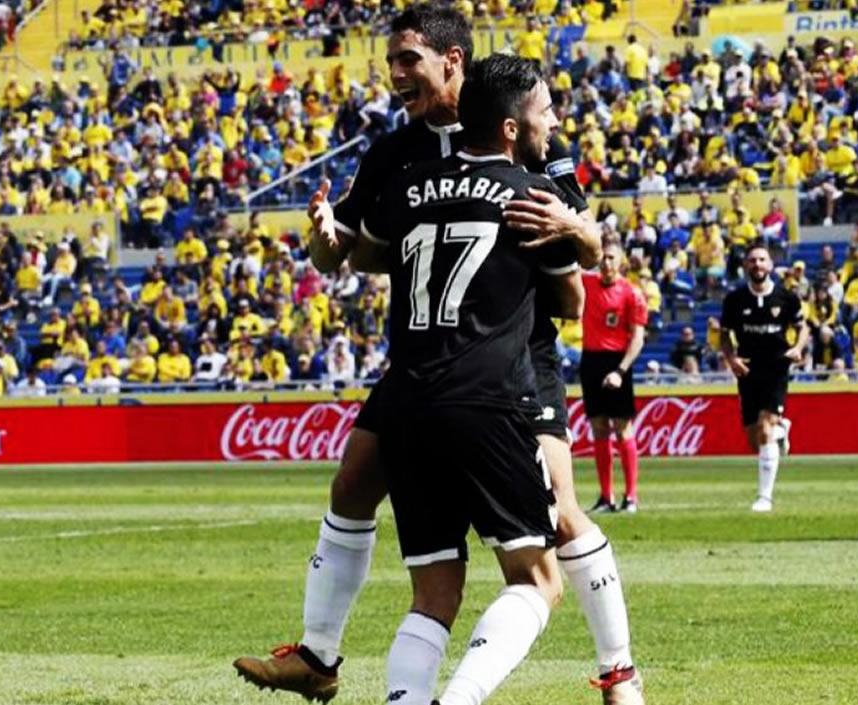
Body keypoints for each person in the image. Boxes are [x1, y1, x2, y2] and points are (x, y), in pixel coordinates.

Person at [235, 5, 644, 704]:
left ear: (452, 62)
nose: (395, 75)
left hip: (518, 351)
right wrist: (323, 241)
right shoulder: (396, 152)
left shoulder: (526, 129)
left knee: (562, 514)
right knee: (354, 481)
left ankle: (619, 671)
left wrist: (574, 222)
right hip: (432, 353)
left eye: (408, 60)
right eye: (391, 61)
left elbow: (580, 246)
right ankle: (318, 653)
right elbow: (354, 255)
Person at [361, 54, 582, 705]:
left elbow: (365, 250)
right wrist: (578, 231)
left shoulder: (410, 184)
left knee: (433, 592)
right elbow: (571, 303)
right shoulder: (532, 197)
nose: (553, 122)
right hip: (489, 400)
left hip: (405, 400)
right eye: (544, 112)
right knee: (539, 578)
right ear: (512, 129)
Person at [720, 244, 807, 512]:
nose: (757, 264)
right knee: (753, 438)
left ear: (770, 265)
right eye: (752, 260)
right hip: (747, 369)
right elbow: (724, 335)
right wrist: (731, 359)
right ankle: (782, 428)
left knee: (764, 429)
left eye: (762, 260)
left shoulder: (787, 297)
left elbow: (803, 328)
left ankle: (764, 498)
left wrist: (798, 348)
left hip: (777, 367)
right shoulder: (734, 300)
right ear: (746, 265)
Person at [581, 242, 648, 513]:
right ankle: (605, 497)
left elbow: (638, 338)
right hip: (590, 359)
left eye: (611, 258)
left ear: (621, 262)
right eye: (603, 258)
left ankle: (631, 497)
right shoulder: (587, 284)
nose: (606, 262)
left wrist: (621, 371)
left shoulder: (632, 293)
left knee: (622, 428)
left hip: (617, 361)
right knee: (598, 428)